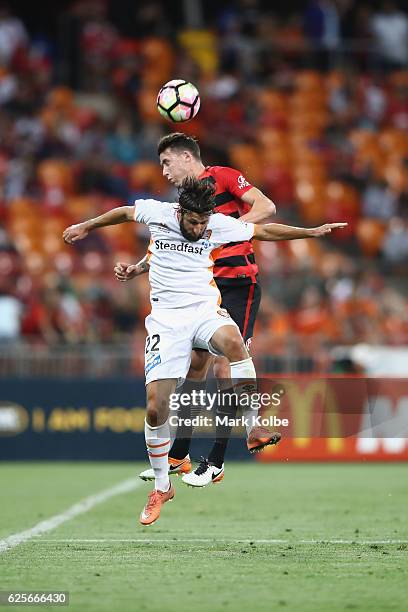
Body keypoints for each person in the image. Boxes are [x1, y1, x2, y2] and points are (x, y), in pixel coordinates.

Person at [63, 177, 346, 525]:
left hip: (203, 311)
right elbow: (123, 212)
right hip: (166, 323)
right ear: (181, 213)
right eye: (193, 222)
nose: (199, 229)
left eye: (203, 222)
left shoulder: (218, 225)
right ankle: (163, 487)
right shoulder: (159, 213)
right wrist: (85, 226)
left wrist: (311, 232)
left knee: (235, 344)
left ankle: (253, 426)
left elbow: (264, 232)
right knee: (155, 408)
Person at [134, 132, 278, 488]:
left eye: (167, 162)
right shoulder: (182, 204)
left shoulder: (224, 177)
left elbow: (266, 206)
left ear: (186, 157)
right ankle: (178, 455)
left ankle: (216, 460)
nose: (164, 171)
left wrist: (235, 232)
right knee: (196, 367)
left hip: (238, 283)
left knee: (224, 363)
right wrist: (140, 266)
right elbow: (165, 244)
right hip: (206, 286)